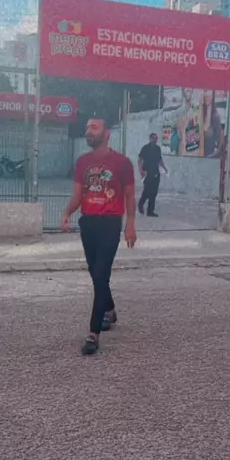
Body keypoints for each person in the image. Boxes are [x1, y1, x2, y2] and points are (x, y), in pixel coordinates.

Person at [61, 117, 137, 356]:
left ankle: (93, 333)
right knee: (96, 273)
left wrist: (131, 224)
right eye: (87, 128)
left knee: (101, 273)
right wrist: (67, 214)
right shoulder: (82, 162)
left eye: (93, 128)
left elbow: (130, 195)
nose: (88, 131)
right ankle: (110, 309)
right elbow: (77, 195)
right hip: (88, 223)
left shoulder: (122, 163)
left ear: (107, 134)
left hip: (110, 224)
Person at [138, 132, 168, 217]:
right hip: (147, 172)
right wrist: (141, 171)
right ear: (150, 139)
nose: (155, 140)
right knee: (147, 191)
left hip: (156, 172)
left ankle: (150, 211)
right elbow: (140, 160)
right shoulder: (145, 148)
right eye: (154, 138)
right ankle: (141, 203)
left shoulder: (158, 148)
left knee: (154, 192)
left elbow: (160, 160)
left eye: (156, 138)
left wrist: (165, 168)